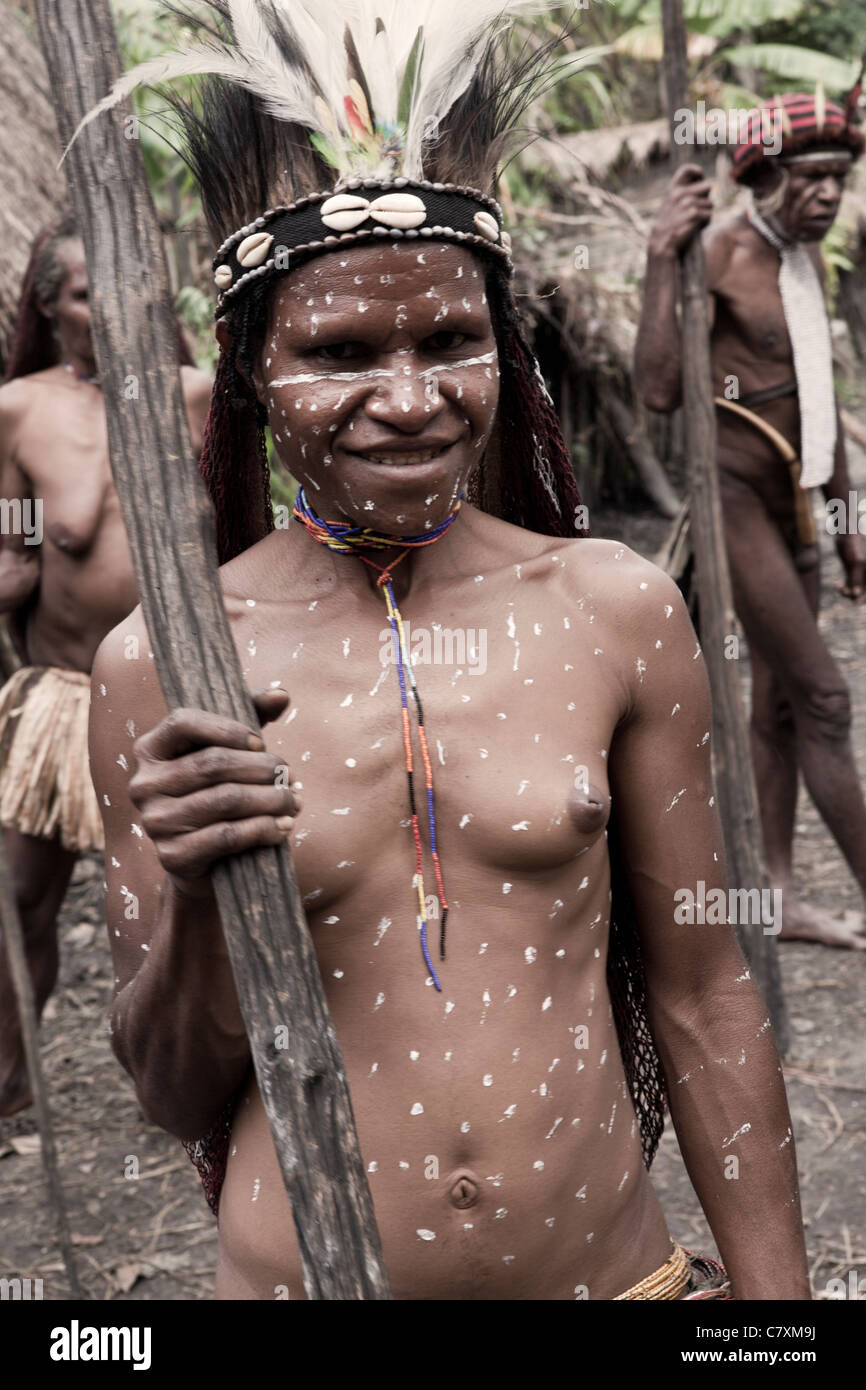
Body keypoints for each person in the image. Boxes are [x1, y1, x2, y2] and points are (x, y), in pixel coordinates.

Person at [88, 2, 809, 1300]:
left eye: (451, 341)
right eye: (340, 353)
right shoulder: (167, 666)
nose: (411, 399)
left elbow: (705, 997)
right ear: (249, 374)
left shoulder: (612, 608)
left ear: (504, 353)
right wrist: (204, 890)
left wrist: (776, 1318)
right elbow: (168, 1089)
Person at [634, 91, 866, 950]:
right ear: (767, 177)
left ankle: (776, 895)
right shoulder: (720, 255)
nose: (829, 197)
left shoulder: (802, 264)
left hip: (797, 505)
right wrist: (664, 255)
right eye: (811, 180)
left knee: (777, 710)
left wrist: (848, 523)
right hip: (734, 503)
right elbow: (658, 390)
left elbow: (818, 396)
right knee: (828, 698)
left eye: (839, 180)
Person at [0, 215, 213, 1114]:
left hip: (167, 703)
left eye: (134, 289)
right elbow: (13, 542)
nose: (116, 310)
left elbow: (235, 541)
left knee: (169, 906)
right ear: (52, 306)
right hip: (57, 697)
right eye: (92, 295)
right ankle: (8, 1083)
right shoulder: (19, 410)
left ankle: (183, 1086)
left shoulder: (195, 397)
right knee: (16, 900)